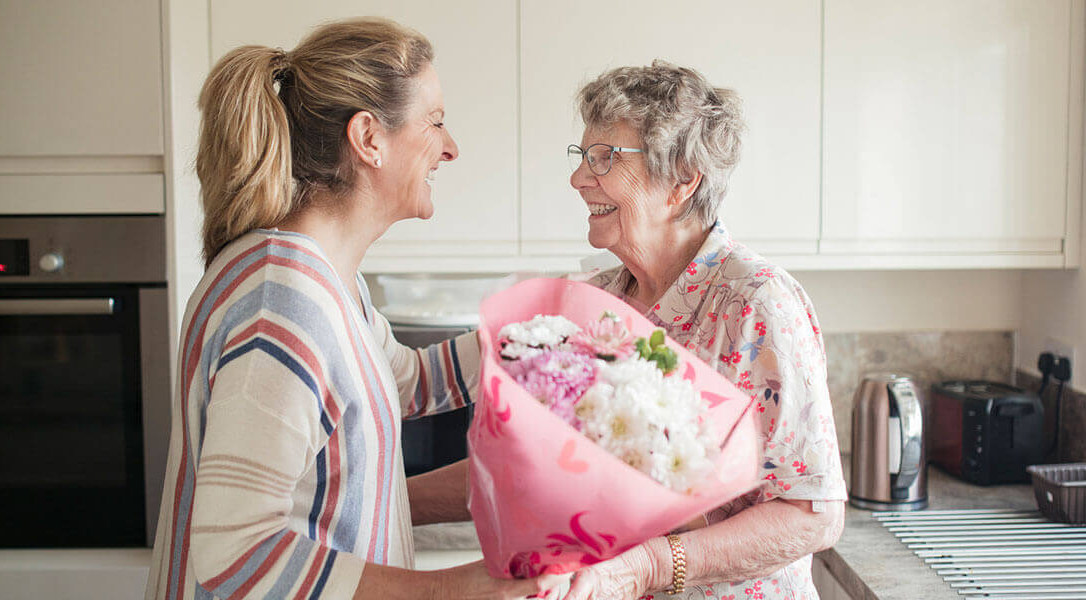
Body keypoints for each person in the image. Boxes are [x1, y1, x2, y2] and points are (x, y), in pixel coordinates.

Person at [145, 18, 567, 600]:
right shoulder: (284, 303)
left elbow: (406, 384)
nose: (450, 147)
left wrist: (551, 325)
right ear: (369, 138)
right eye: (436, 122)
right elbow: (235, 555)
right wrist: (453, 590)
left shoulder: (327, 281)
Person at [561, 61, 847, 599]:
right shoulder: (596, 303)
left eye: (604, 158)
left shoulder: (756, 304)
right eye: (582, 157)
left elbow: (812, 514)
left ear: (682, 180)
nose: (579, 178)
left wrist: (647, 566)